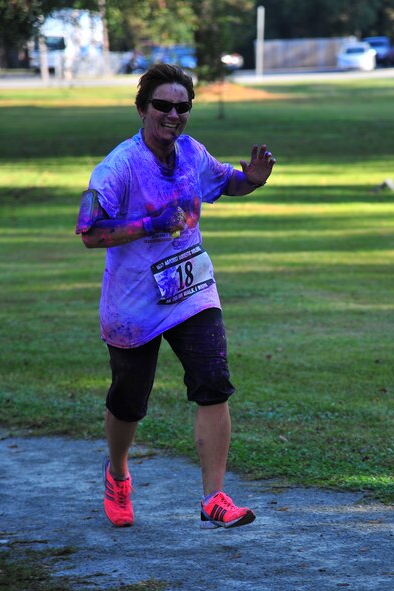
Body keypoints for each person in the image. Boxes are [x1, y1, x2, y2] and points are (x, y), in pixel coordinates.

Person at [76, 63, 275, 529]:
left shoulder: (191, 153)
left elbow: (227, 181)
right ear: (142, 108)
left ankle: (214, 498)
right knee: (129, 401)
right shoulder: (119, 166)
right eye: (163, 106)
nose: (173, 115)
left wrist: (255, 179)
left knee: (213, 384)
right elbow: (87, 230)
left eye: (182, 107)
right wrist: (148, 225)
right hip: (133, 306)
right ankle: (119, 473)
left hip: (191, 290)